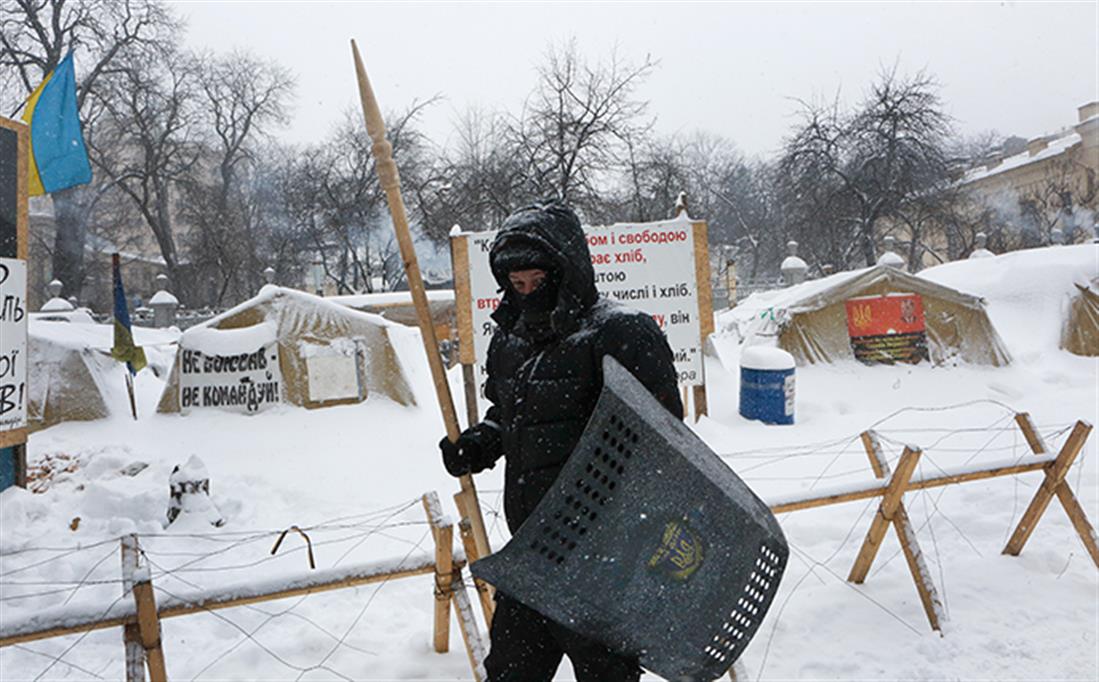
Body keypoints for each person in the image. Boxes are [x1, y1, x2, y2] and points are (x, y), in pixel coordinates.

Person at [439, 200, 683, 682]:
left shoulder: (619, 333)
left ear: (566, 271)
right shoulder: (510, 340)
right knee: (510, 673)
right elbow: (510, 416)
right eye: (517, 284)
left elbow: (665, 436)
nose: (527, 294)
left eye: (539, 283)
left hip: (602, 563)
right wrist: (482, 443)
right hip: (532, 551)